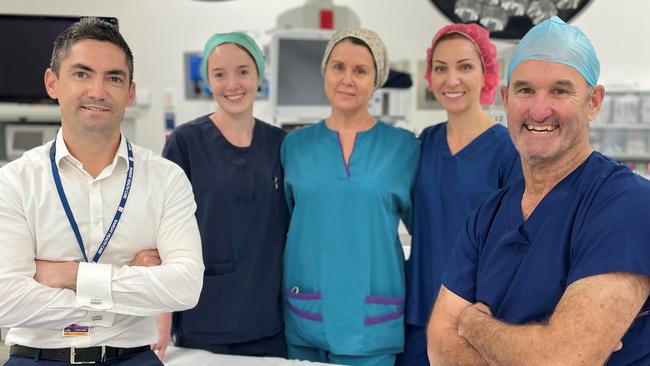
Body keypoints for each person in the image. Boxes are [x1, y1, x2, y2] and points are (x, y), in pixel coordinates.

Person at [427, 16, 650, 366]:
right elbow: (440, 350)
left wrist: (474, 324)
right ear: (505, 98)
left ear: (594, 102)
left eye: (560, 90)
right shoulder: (487, 217)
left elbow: (564, 358)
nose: (539, 109)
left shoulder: (628, 204)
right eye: (525, 90)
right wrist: (538, 346)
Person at [0, 17, 204, 365]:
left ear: (130, 92)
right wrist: (131, 283)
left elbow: (185, 287)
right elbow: (7, 300)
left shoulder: (166, 179)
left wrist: (69, 275)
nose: (98, 90)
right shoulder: (15, 181)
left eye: (114, 77)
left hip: (133, 357)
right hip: (37, 358)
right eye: (81, 73)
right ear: (53, 83)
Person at [281, 28, 420, 366]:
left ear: (376, 80)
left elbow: (427, 233)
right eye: (338, 67)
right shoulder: (294, 147)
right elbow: (289, 225)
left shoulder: (404, 148)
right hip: (306, 313)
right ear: (325, 72)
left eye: (360, 71)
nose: (347, 79)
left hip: (372, 321)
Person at [158, 32, 288, 359]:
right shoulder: (184, 143)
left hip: (268, 320)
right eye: (220, 74)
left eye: (243, 71)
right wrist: (160, 324)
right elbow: (161, 234)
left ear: (259, 76)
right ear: (208, 82)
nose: (233, 84)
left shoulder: (281, 144)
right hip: (204, 317)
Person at [397, 23, 521, 366]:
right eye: (441, 68)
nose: (452, 79)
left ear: (486, 74)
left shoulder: (507, 150)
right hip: (417, 317)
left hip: (473, 324)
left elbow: (517, 244)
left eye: (464, 67)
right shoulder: (425, 142)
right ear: (430, 76)